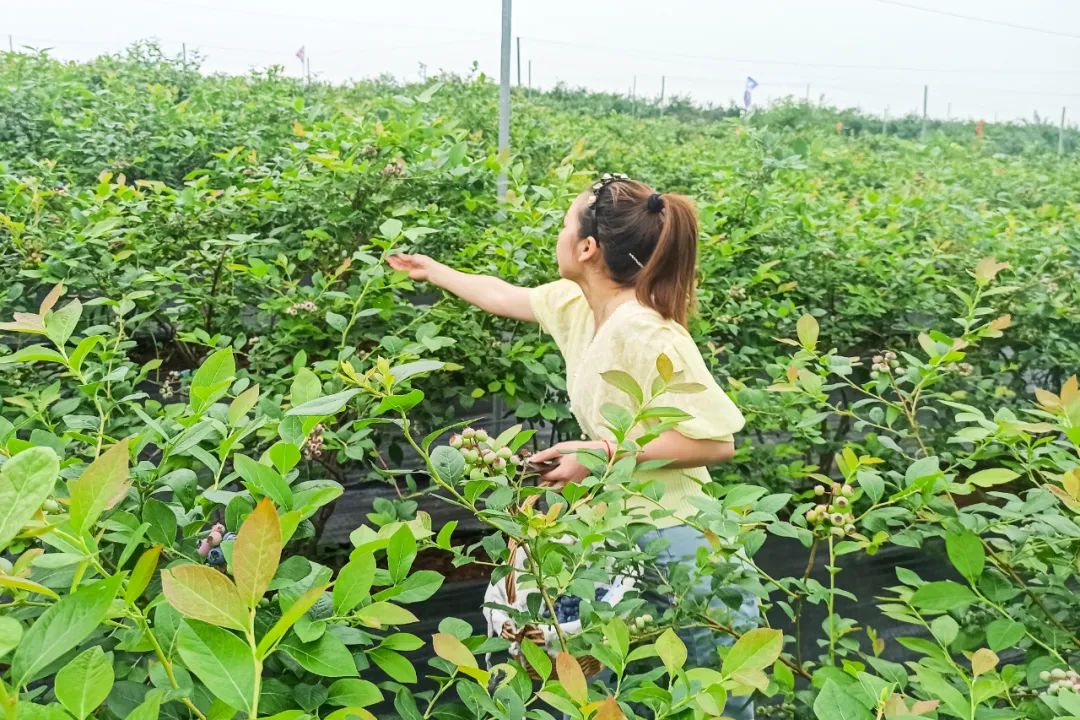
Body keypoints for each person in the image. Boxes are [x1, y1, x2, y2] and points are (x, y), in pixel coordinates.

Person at [387, 173, 755, 718]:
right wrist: (433, 270)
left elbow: (716, 442)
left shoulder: (648, 333)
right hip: (618, 540)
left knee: (713, 700)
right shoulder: (580, 307)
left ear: (587, 247)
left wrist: (601, 455)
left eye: (563, 225)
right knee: (633, 695)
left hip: (681, 542)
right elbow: (503, 295)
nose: (557, 234)